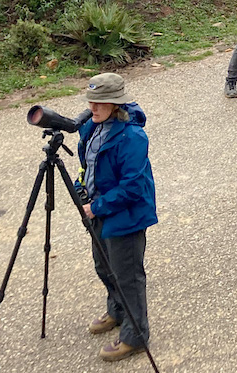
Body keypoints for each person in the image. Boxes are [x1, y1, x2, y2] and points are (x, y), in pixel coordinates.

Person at [77, 73, 157, 363]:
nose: (92, 107)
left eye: (99, 103)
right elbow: (86, 165)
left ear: (115, 103)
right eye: (90, 101)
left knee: (128, 277)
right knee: (104, 266)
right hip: (99, 208)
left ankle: (136, 337)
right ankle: (117, 311)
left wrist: (96, 207)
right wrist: (81, 189)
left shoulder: (132, 136)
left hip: (126, 214)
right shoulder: (91, 127)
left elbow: (133, 188)